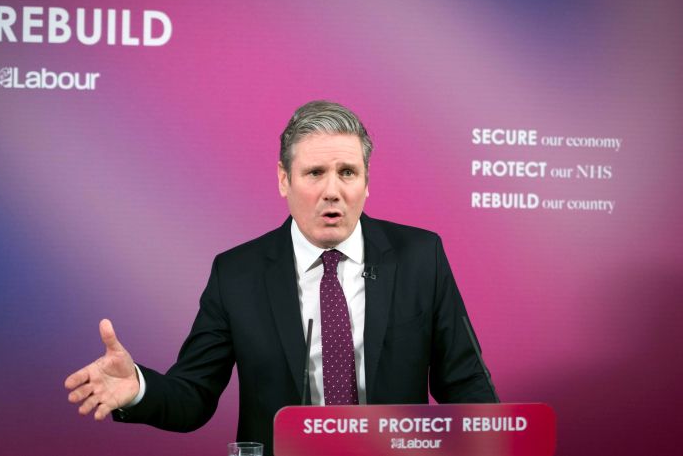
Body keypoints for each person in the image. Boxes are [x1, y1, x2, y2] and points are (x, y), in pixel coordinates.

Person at [65, 100, 496, 454]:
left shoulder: (421, 257)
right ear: (283, 180)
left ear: (366, 183)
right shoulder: (238, 274)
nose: (333, 191)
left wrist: (496, 438)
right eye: (314, 174)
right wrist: (138, 386)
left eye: (348, 173)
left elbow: (465, 383)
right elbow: (192, 396)